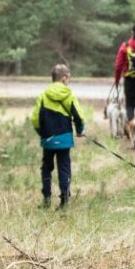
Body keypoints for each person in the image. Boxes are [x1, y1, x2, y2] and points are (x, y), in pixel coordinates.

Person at [31, 64, 85, 209]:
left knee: (46, 168)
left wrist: (42, 133)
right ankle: (64, 200)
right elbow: (79, 116)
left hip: (48, 138)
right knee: (64, 168)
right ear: (64, 78)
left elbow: (35, 118)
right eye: (69, 79)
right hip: (65, 138)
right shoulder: (69, 94)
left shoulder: (43, 95)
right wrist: (80, 130)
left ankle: (47, 199)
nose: (69, 82)